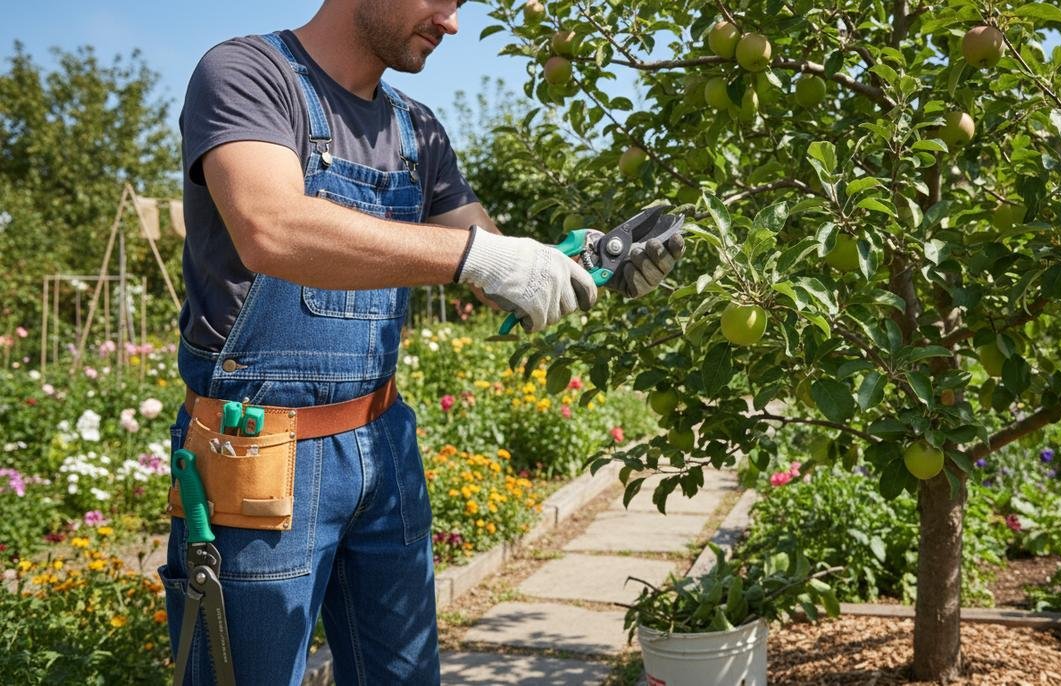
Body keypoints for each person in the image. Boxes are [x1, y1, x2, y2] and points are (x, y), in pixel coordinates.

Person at [158, 0, 684, 684]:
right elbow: (272, 227)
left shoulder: (417, 130)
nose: (452, 22)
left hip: (384, 446)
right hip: (257, 454)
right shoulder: (249, 74)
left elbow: (491, 262)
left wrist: (579, 265)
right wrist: (478, 258)